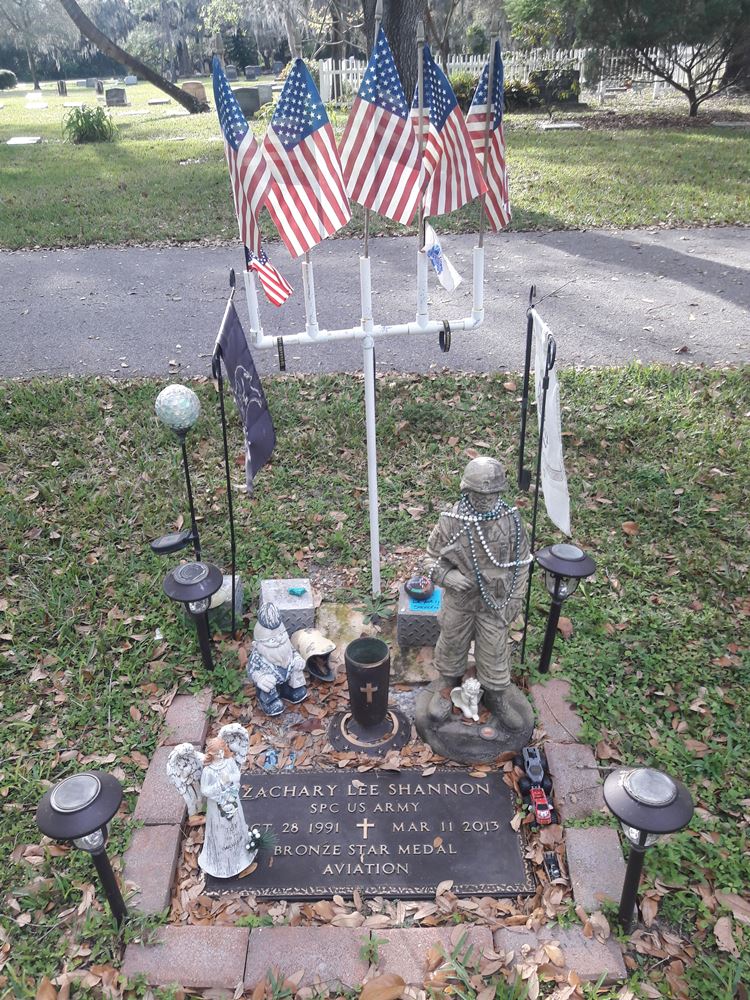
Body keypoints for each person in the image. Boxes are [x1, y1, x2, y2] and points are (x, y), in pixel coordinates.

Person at [426, 457, 532, 730]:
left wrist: (516, 599)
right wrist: (447, 576)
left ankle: (496, 696)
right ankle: (446, 688)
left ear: (500, 492)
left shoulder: (512, 522)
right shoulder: (451, 521)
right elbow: (428, 559)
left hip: (495, 603)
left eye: (491, 494)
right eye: (477, 494)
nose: (484, 500)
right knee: (451, 646)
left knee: (495, 654)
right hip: (460, 602)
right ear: (466, 490)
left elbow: (522, 564)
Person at [199, 737, 257, 879]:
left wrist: (229, 778)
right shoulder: (208, 771)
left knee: (236, 824)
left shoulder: (229, 762)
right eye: (216, 753)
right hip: (217, 806)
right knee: (221, 829)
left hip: (232, 798)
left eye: (221, 751)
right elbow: (205, 790)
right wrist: (219, 784)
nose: (219, 755)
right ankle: (223, 862)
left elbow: (237, 775)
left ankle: (241, 854)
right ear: (211, 754)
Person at [247, 602, 307, 715]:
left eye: (281, 635)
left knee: (293, 681)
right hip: (269, 681)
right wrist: (260, 678)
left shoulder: (286, 645)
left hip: (286, 675)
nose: (279, 640)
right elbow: (252, 670)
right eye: (271, 640)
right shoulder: (258, 655)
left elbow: (294, 652)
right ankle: (269, 702)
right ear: (257, 644)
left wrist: (298, 660)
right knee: (268, 687)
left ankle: (288, 691)